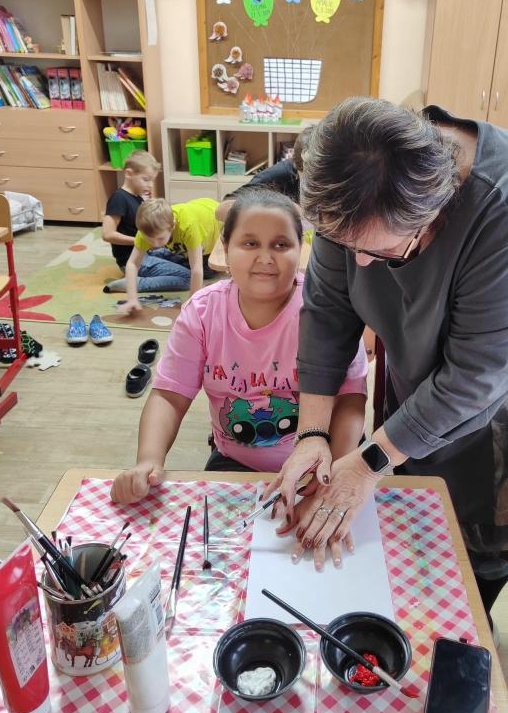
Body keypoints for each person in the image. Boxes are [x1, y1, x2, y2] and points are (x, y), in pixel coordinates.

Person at [267, 97, 508, 609]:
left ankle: (476, 605)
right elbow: (326, 312)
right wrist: (311, 435)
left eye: (379, 252)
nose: (360, 264)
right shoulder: (349, 181)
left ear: (435, 210)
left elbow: (475, 378)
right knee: (414, 447)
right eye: (345, 246)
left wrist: (366, 464)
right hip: (449, 293)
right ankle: (417, 585)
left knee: (498, 493)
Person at [110, 189, 367, 507]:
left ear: (300, 248)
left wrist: (332, 476)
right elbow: (170, 395)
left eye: (281, 245)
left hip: (324, 459)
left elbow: (351, 399)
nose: (265, 258)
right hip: (236, 462)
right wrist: (148, 460)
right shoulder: (202, 312)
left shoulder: (328, 311)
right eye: (250, 243)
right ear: (225, 247)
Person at [120, 198, 220, 312]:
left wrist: (191, 303)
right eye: (150, 240)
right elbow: (132, 263)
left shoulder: (188, 226)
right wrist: (132, 298)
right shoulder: (146, 230)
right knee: (181, 258)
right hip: (189, 233)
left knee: (209, 271)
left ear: (173, 226)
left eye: (160, 238)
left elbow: (196, 268)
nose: (155, 244)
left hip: (218, 222)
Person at [215, 125, 313, 223]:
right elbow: (221, 211)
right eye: (311, 180)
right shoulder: (280, 174)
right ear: (297, 168)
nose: (316, 189)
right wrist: (281, 206)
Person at [101, 150, 160, 272]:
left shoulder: (138, 197)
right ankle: (133, 280)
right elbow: (107, 234)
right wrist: (141, 241)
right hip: (132, 260)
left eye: (152, 180)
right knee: (184, 275)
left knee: (186, 260)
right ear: (129, 174)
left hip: (145, 253)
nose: (151, 185)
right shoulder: (119, 198)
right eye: (146, 179)